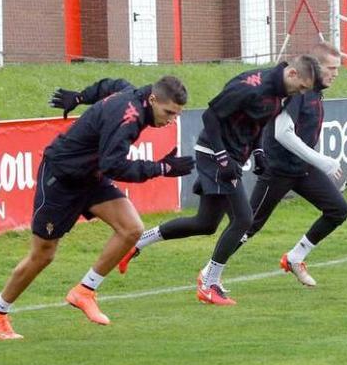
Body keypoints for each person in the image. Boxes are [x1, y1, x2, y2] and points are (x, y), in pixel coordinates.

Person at [0, 76, 194, 340]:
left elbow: (110, 86)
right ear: (152, 99)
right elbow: (113, 165)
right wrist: (161, 168)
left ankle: (84, 291)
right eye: (168, 112)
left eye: (177, 114)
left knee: (131, 229)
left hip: (90, 177)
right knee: (43, 255)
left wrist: (80, 97)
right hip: (62, 177)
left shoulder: (132, 93)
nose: (171, 119)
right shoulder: (128, 118)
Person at [117, 55, 321, 305]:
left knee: (206, 223)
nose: (301, 93)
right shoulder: (251, 86)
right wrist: (223, 158)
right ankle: (209, 282)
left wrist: (258, 152)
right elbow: (210, 117)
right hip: (214, 155)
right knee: (244, 219)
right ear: (291, 74)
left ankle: (138, 242)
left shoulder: (282, 92)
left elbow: (257, 124)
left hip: (231, 156)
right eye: (301, 87)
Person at [236, 42, 347, 287]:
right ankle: (210, 274)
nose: (335, 73)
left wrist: (315, 162)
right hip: (277, 169)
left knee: (339, 210)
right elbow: (282, 133)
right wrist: (322, 161)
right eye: (331, 68)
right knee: (247, 225)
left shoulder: (316, 91)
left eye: (338, 68)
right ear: (316, 68)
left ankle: (295, 257)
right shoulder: (299, 90)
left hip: (302, 170)